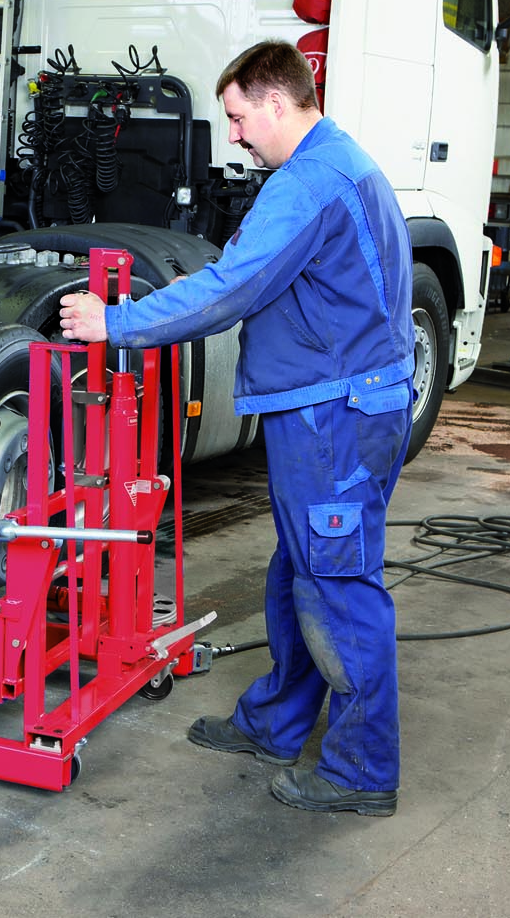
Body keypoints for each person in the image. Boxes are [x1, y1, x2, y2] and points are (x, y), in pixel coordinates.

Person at [58, 40, 413, 816]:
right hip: (341, 404)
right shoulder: (340, 162)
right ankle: (277, 724)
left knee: (338, 588)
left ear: (276, 102)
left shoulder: (309, 181)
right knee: (300, 572)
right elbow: (278, 274)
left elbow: (235, 289)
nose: (237, 134)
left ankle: (362, 771)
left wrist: (112, 323)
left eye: (239, 116)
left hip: (333, 415)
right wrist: (211, 283)